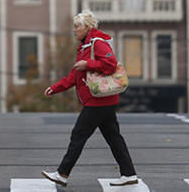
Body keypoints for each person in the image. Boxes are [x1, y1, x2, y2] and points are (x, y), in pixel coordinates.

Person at [42, 10, 138, 187]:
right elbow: (74, 76)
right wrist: (54, 88)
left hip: (98, 101)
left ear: (87, 27)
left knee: (78, 134)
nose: (74, 30)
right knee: (114, 138)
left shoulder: (98, 43)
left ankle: (62, 173)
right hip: (103, 100)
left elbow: (110, 65)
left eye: (77, 27)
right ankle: (129, 174)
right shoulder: (85, 47)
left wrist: (89, 64)